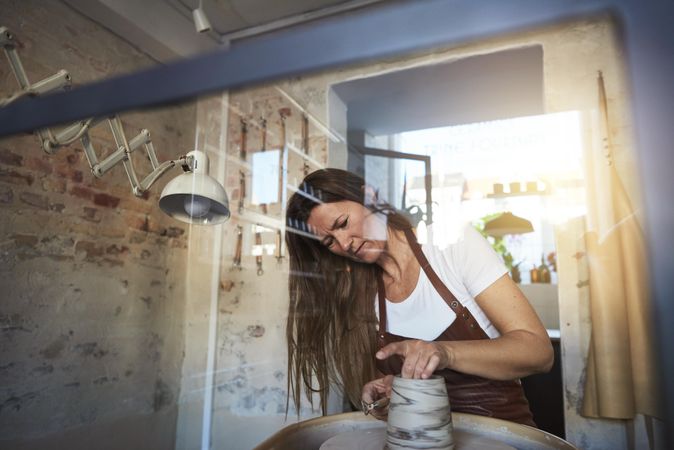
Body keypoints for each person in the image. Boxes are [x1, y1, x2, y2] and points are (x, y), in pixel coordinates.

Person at [284, 168, 553, 426]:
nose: (344, 244)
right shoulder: (364, 295)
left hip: (499, 433)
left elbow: (538, 353)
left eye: (342, 223)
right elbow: (391, 389)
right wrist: (388, 393)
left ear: (370, 197)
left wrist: (444, 352)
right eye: (329, 242)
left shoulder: (451, 246)